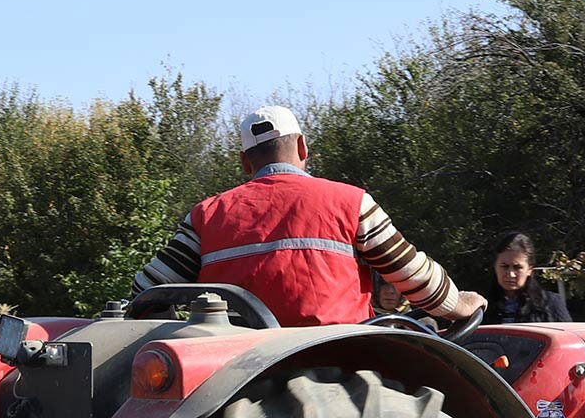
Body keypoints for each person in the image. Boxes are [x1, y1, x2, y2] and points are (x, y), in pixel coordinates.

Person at [132, 106, 482, 329]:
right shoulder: (352, 202)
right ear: (302, 147)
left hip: (235, 369)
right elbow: (412, 275)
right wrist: (457, 305)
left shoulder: (206, 216)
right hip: (341, 362)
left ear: (244, 162)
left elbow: (145, 291)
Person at [482, 231, 571, 324]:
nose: (511, 274)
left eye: (517, 267)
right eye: (504, 266)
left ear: (529, 269)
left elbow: (569, 337)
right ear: (495, 266)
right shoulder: (480, 305)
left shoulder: (551, 304)